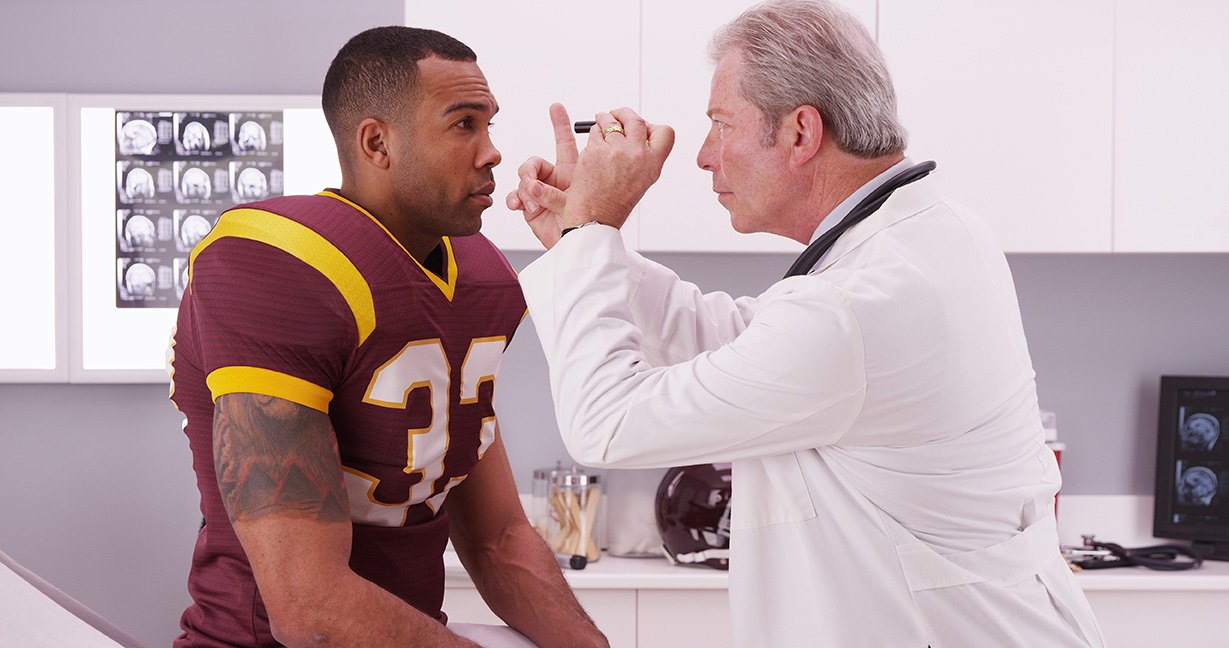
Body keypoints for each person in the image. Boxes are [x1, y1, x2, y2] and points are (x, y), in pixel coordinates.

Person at [506, 1, 1105, 646]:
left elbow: (606, 425)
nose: (703, 156)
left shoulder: (852, 310)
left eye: (720, 124)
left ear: (799, 133)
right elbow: (744, 342)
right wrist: (579, 244)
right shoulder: (937, 236)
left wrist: (591, 231)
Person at [170, 26, 608, 648]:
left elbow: (498, 538)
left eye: (489, 125)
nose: (491, 152)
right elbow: (310, 610)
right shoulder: (276, 266)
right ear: (377, 143)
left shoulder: (482, 275)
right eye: (463, 125)